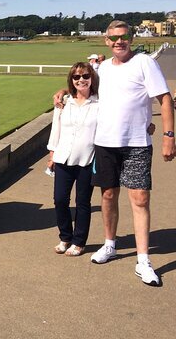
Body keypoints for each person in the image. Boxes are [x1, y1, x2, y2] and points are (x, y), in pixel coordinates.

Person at [54, 20, 174, 286]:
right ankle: (110, 244)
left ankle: (143, 259)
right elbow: (82, 85)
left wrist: (168, 135)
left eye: (123, 37)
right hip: (105, 143)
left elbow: (164, 99)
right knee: (108, 195)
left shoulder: (144, 63)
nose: (119, 41)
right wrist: (64, 91)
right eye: (113, 38)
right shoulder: (102, 68)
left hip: (136, 143)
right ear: (106, 41)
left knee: (140, 198)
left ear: (130, 38)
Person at [46, 62, 98, 257]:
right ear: (71, 80)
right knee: (60, 200)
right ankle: (65, 236)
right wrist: (52, 154)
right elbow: (56, 128)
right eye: (76, 77)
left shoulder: (99, 102)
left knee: (83, 202)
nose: (81, 80)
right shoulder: (64, 101)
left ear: (92, 78)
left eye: (85, 76)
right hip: (63, 158)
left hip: (87, 159)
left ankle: (79, 241)